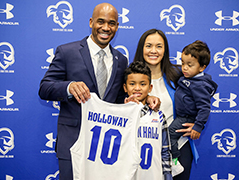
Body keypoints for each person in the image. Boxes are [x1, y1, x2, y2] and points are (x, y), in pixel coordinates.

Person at [38, 3, 159, 180]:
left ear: (117, 26)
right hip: (73, 143)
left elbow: (118, 99)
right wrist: (69, 87)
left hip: (107, 149)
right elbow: (44, 87)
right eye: (100, 22)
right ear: (91, 22)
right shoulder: (67, 52)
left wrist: (140, 100)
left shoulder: (121, 60)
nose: (105, 28)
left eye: (111, 23)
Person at [133, 28, 195, 180]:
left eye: (159, 46)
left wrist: (198, 124)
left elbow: (201, 97)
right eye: (149, 46)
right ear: (142, 48)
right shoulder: (130, 77)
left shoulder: (179, 75)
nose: (153, 51)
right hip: (142, 150)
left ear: (165, 50)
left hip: (178, 149)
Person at [168, 40, 218, 174]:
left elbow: (204, 108)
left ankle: (174, 162)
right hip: (182, 115)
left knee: (169, 135)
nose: (184, 68)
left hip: (185, 118)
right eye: (183, 63)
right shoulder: (189, 78)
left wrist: (198, 126)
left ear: (202, 67)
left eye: (189, 65)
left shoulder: (200, 85)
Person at [123, 61, 172, 180]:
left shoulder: (159, 116)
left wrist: (168, 176)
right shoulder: (118, 115)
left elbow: (165, 151)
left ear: (150, 87)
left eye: (143, 84)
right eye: (132, 84)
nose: (137, 88)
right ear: (125, 87)